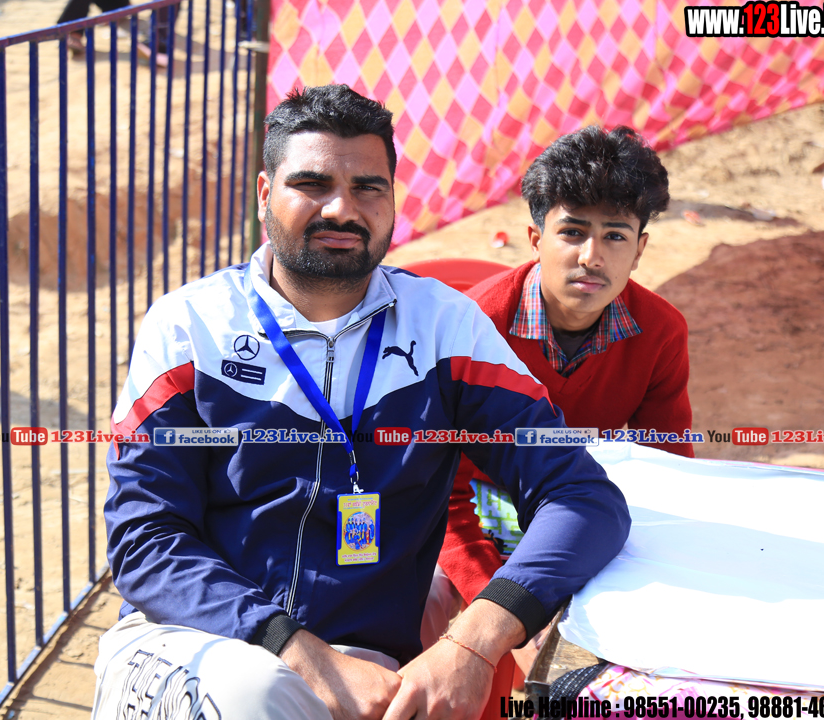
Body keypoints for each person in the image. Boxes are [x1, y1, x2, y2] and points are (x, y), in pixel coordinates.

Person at [93, 84, 631, 720]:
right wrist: (297, 651)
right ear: (265, 193)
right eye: (313, 184)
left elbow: (581, 495)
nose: (341, 209)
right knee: (256, 694)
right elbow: (145, 536)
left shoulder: (445, 327)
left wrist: (477, 638)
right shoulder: (189, 326)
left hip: (367, 668)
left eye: (368, 187)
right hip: (193, 639)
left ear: (393, 200)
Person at [439, 125, 693, 608]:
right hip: (479, 506)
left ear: (639, 251)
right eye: (573, 232)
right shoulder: (472, 328)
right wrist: (496, 604)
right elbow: (439, 494)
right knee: (430, 599)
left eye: (614, 236)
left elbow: (667, 470)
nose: (592, 257)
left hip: (587, 503)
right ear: (536, 239)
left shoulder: (661, 332)